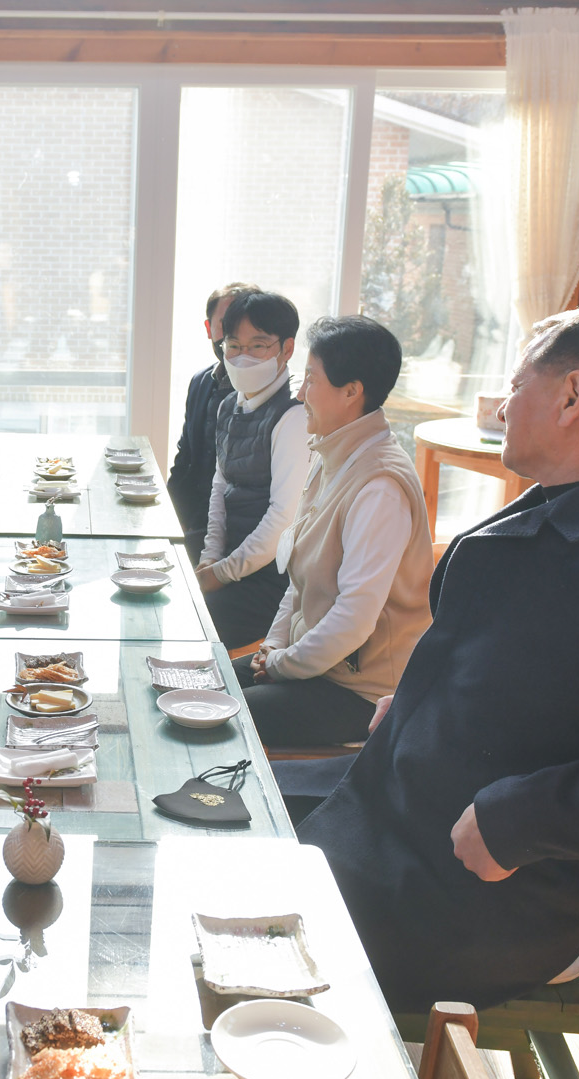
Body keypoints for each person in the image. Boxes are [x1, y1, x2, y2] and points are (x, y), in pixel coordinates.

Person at [281, 306, 579, 1012]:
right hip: (395, 807)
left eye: (516, 386)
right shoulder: (566, 504)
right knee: (217, 812)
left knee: (239, 919)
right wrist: (418, 703)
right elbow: (528, 671)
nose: (504, 407)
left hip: (482, 892)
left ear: (572, 395)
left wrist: (524, 818)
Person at [235, 315, 433, 747]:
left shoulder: (379, 486)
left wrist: (281, 664)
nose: (299, 393)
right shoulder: (333, 454)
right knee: (203, 685)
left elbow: (354, 620)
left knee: (223, 717)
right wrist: (272, 648)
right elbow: (299, 578)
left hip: (362, 693)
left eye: (311, 379)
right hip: (313, 663)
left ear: (351, 391)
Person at [196, 290, 312, 647]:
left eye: (258, 346)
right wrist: (210, 557)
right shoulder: (229, 404)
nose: (243, 357)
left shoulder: (295, 414)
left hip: (273, 577)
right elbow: (220, 486)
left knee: (189, 620)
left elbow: (283, 518)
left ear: (287, 349)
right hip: (232, 557)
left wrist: (221, 573)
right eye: (234, 345)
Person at [167, 281, 259, 562]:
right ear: (209, 329)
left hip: (237, 540)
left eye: (245, 327)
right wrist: (167, 517)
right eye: (225, 324)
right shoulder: (200, 381)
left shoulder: (267, 395)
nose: (234, 336)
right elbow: (185, 459)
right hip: (191, 523)